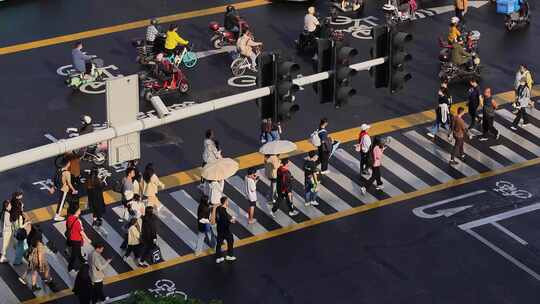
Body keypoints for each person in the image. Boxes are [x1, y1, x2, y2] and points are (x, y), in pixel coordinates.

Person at [213, 197, 236, 264]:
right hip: (225, 230)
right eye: (227, 201)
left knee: (219, 243)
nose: (228, 202)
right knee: (230, 240)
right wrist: (231, 221)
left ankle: (218, 257)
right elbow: (225, 222)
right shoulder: (224, 212)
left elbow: (218, 218)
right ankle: (229, 255)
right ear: (225, 202)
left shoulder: (218, 208)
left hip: (219, 228)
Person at [66, 206, 88, 273]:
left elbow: (67, 226)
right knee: (74, 254)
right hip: (77, 239)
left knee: (77, 250)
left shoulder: (69, 218)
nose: (80, 210)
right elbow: (81, 232)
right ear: (76, 211)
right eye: (79, 209)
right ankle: (70, 267)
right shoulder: (78, 221)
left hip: (71, 237)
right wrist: (87, 239)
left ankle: (82, 259)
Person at [10, 202, 28, 266]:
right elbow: (21, 227)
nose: (23, 208)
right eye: (22, 207)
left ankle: (18, 258)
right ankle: (17, 261)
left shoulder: (13, 214)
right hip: (19, 234)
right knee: (21, 248)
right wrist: (26, 223)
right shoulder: (19, 216)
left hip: (15, 233)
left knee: (18, 247)